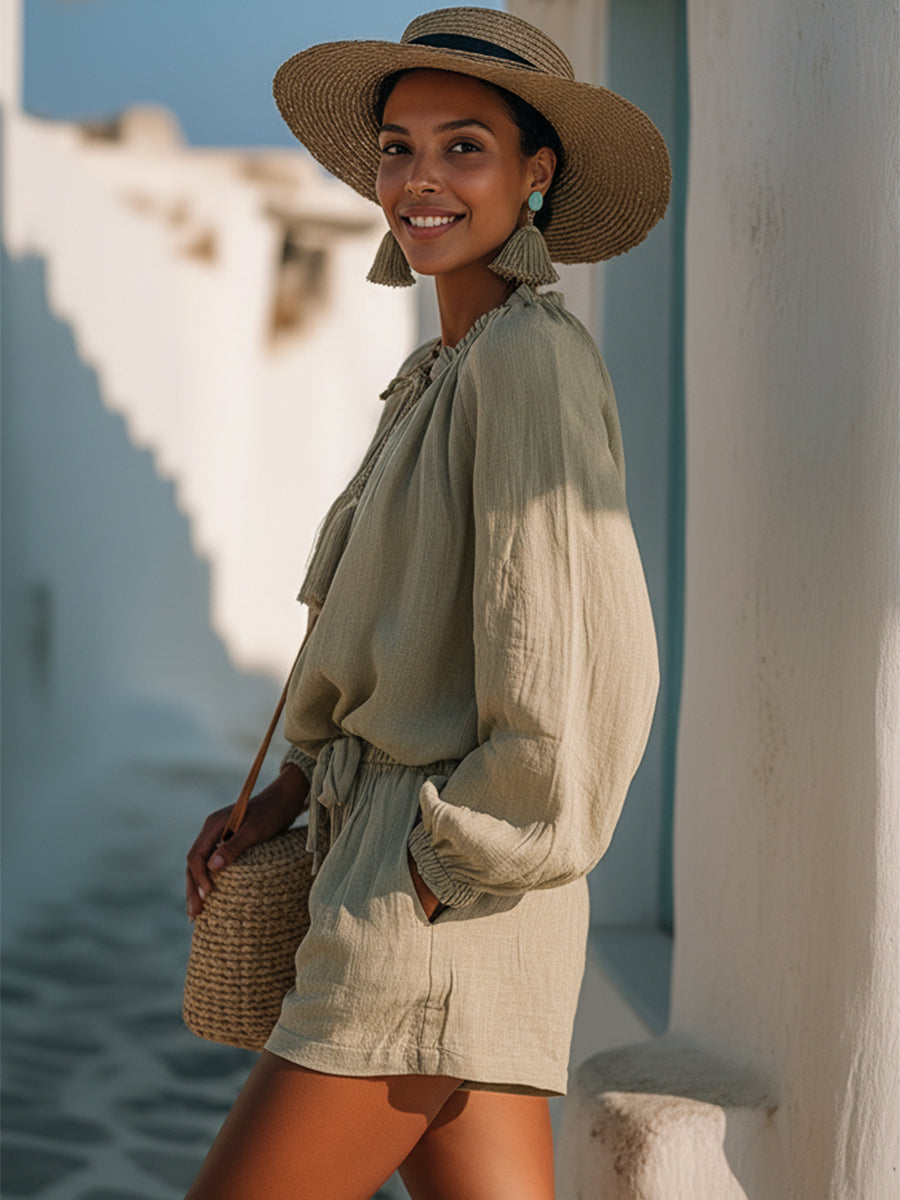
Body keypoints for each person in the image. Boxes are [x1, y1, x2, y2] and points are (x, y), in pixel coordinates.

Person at [184, 8, 669, 1199]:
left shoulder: (526, 363)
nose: (420, 180)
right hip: (440, 893)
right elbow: (391, 624)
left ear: (535, 174)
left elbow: (582, 662)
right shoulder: (446, 371)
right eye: (399, 148)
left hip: (435, 900)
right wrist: (293, 791)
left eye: (466, 147)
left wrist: (443, 868)